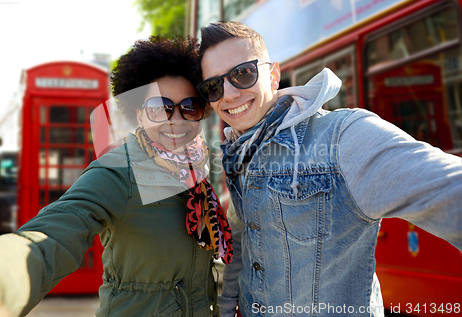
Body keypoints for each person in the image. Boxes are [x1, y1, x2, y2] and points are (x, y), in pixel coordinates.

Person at [196, 21, 462, 317]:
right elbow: (242, 247)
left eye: (243, 74)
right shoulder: (240, 153)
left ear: (273, 76)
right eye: (214, 86)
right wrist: (226, 305)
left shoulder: (342, 136)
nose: (229, 94)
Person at [0, 35, 233, 317]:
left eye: (189, 107)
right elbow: (57, 230)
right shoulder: (117, 171)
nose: (175, 119)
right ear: (140, 115)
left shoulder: (196, 171)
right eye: (159, 107)